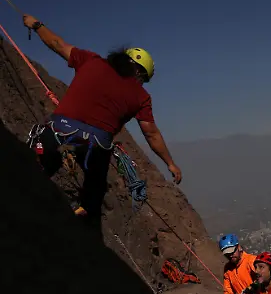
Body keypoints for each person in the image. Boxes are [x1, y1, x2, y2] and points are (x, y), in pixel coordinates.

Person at [21, 13, 182, 229]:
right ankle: (85, 212)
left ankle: (39, 167)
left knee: (39, 146)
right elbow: (151, 133)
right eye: (143, 78)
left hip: (59, 131)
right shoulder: (141, 96)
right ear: (139, 72)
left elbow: (57, 44)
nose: (142, 83)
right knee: (94, 191)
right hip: (96, 147)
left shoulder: (91, 61)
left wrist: (36, 25)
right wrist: (170, 163)